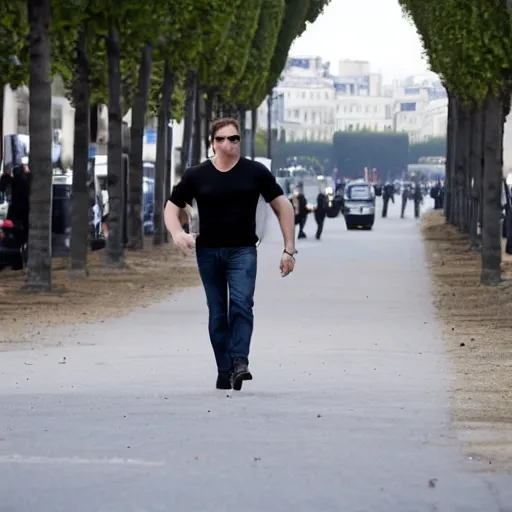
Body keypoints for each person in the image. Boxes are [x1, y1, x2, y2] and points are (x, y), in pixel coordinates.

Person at [164, 118, 296, 391]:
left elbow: (283, 206)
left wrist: (289, 249)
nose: (228, 144)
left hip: (243, 250)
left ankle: (239, 363)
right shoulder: (196, 175)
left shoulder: (255, 172)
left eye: (234, 138)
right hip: (208, 251)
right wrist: (177, 233)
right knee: (217, 313)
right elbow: (171, 207)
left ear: (239, 141)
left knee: (242, 304)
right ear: (212, 142)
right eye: (221, 139)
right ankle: (224, 368)